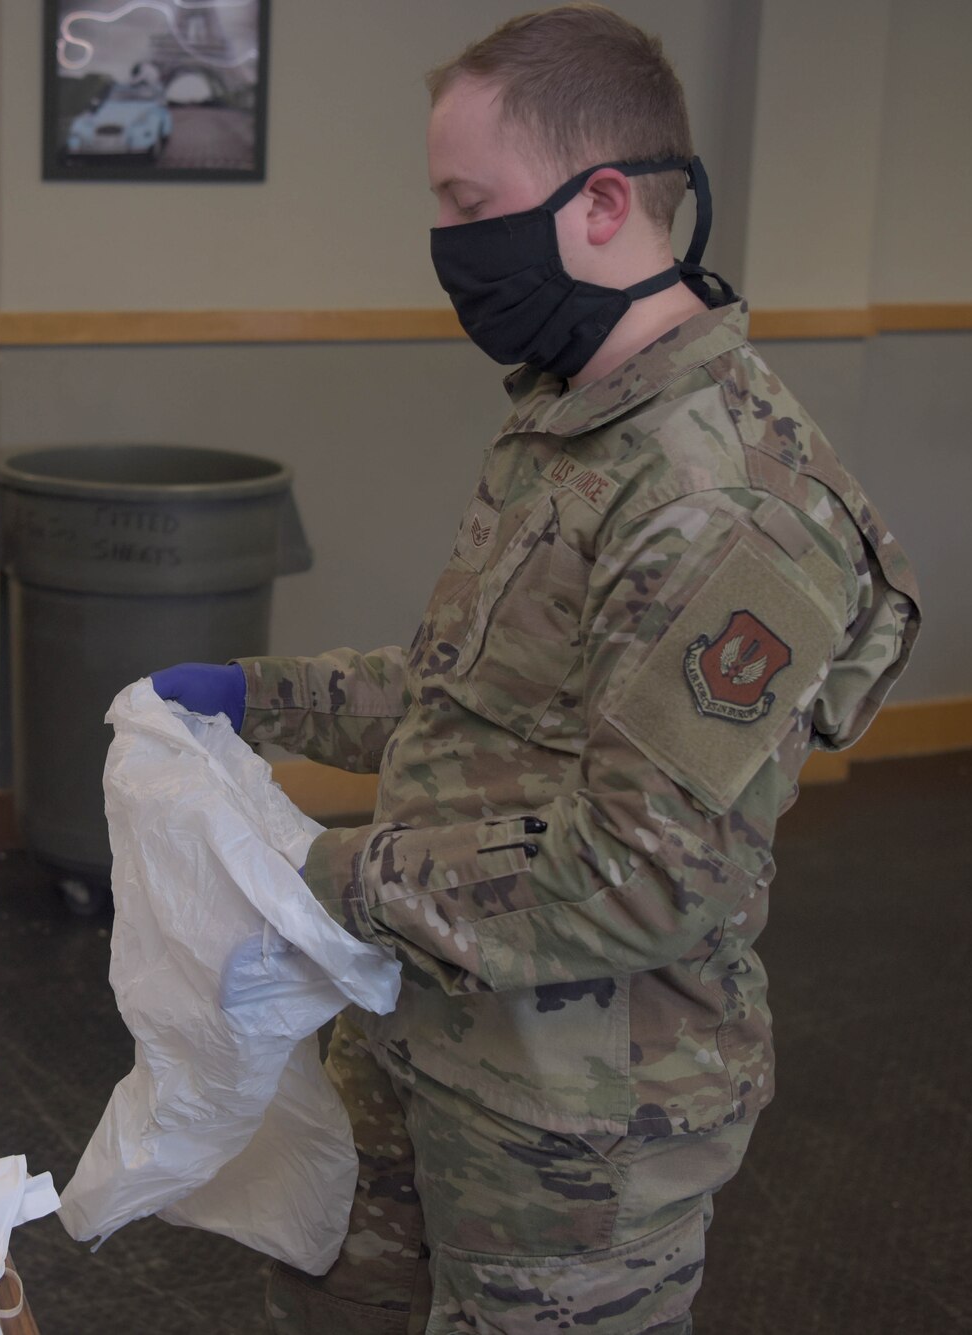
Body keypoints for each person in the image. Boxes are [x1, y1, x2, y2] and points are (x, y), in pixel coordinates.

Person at [150, 6, 921, 1332]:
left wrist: (312, 881)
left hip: (573, 1115)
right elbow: (474, 700)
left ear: (603, 202)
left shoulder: (722, 501)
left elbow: (647, 872)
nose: (450, 244)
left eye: (471, 205)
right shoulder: (573, 420)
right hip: (428, 1019)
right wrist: (260, 698)